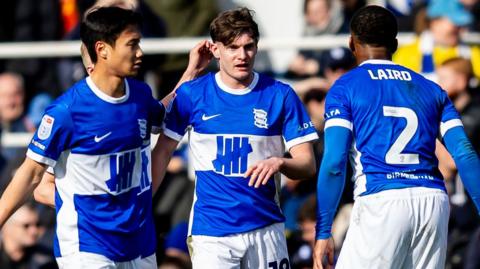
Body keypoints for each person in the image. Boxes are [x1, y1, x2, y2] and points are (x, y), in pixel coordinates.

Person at [0, 7, 210, 269]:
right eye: (132, 44)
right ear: (102, 49)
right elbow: (31, 174)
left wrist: (191, 72)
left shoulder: (140, 95)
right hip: (88, 249)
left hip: (139, 243)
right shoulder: (67, 111)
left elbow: (163, 115)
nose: (140, 52)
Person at [313, 5, 480, 269]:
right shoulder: (431, 87)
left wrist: (323, 230)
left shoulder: (345, 86)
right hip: (433, 201)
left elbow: (334, 162)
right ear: (395, 43)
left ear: (351, 43)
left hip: (382, 199)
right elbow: (465, 153)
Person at [152, 7, 318, 269]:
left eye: (249, 46)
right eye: (232, 47)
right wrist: (140, 205)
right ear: (216, 50)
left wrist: (280, 163)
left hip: (266, 226)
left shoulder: (280, 95)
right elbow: (161, 152)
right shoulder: (193, 95)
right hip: (212, 232)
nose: (242, 55)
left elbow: (307, 164)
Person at [0, 202, 57, 269]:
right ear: (6, 226)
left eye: (37, 225)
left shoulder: (46, 259)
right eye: (26, 226)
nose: (34, 231)